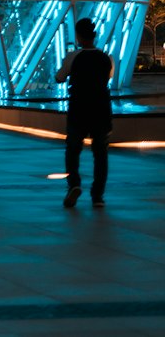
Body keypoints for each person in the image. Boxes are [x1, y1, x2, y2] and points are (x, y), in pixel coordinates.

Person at [56, 17, 113, 208]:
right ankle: (98, 195)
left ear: (79, 36)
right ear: (94, 36)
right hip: (101, 109)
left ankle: (74, 184)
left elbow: (59, 77)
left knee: (73, 150)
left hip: (79, 109)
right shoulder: (106, 58)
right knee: (100, 153)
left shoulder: (73, 57)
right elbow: (108, 77)